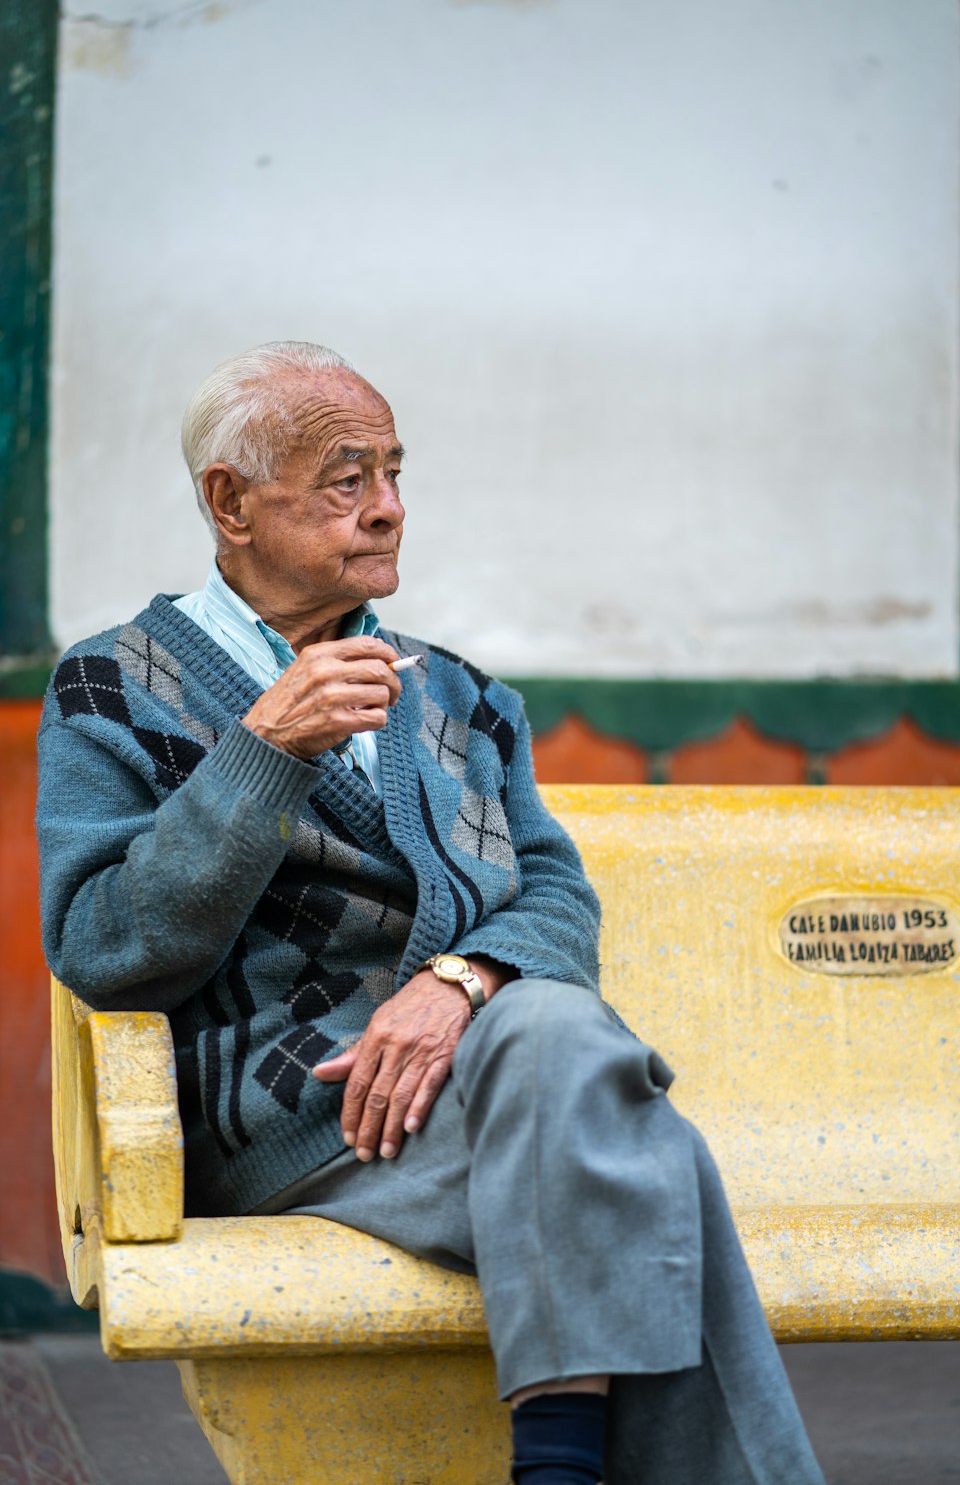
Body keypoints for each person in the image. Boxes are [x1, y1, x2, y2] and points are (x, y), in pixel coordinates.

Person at [36, 341, 825, 1485]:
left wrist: (457, 983)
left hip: (497, 1082)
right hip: (302, 1125)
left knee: (562, 1047)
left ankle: (551, 1470)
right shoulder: (111, 685)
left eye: (396, 474)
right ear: (231, 502)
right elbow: (107, 949)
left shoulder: (461, 696)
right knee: (648, 1160)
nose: (390, 510)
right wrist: (260, 754)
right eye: (347, 479)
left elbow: (555, 892)